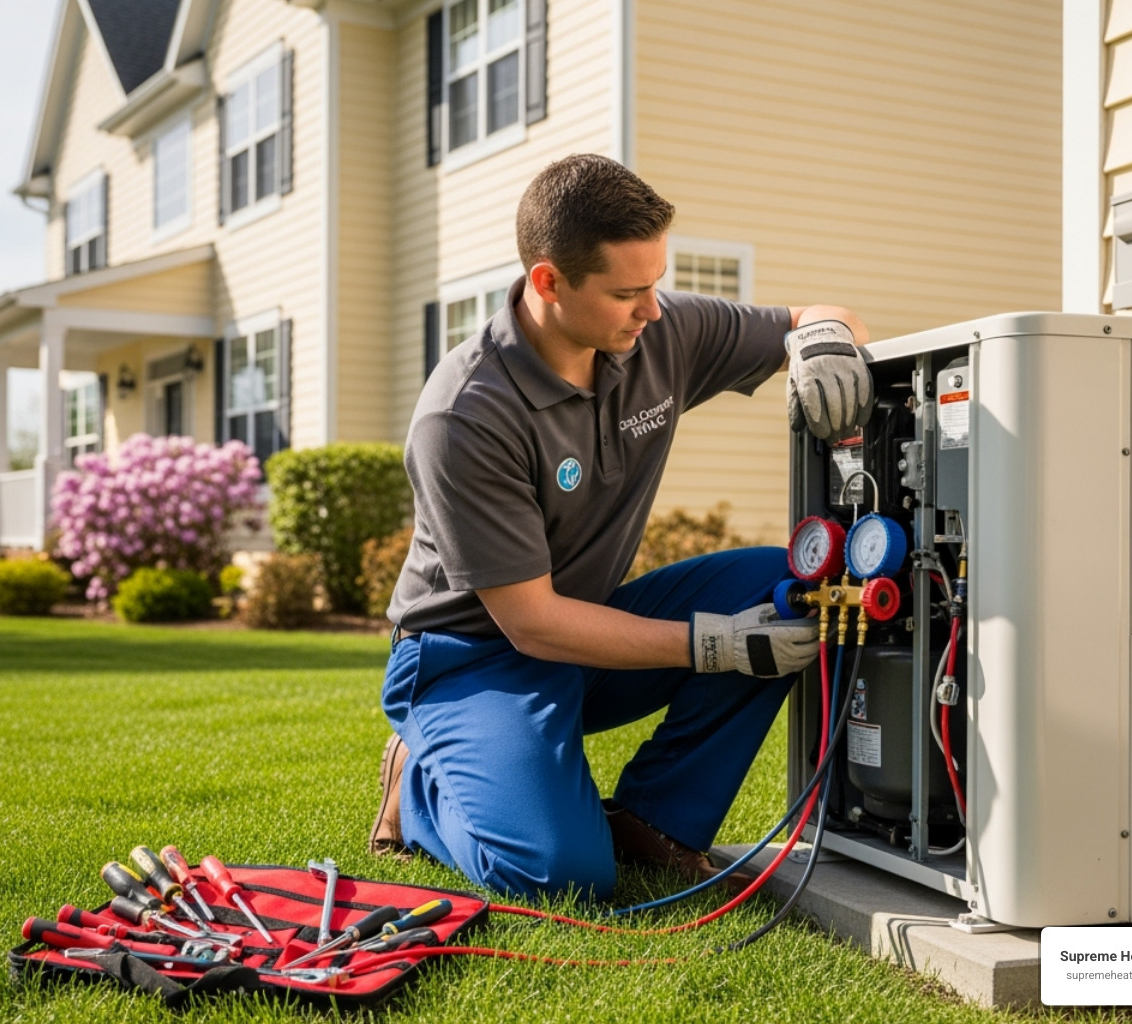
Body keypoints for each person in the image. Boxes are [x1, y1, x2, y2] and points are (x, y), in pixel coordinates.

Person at [371, 153, 873, 900]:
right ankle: (418, 786)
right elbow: (533, 626)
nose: (653, 309)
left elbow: (816, 317)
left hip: (590, 630)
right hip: (472, 660)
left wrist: (827, 342)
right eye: (627, 292)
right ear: (549, 282)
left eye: (656, 282)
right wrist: (718, 647)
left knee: (781, 588)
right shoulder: (466, 415)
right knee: (555, 875)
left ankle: (654, 822)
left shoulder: (658, 335)